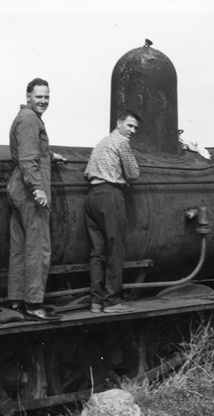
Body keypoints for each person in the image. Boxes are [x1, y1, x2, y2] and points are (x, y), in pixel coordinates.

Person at [6, 78, 66, 321]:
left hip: (17, 187)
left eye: (47, 97)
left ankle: (17, 299)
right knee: (38, 246)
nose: (43, 101)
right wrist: (38, 188)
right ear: (28, 96)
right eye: (39, 96)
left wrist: (51, 155)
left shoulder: (25, 117)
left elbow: (30, 150)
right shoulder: (31, 119)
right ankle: (33, 303)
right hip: (30, 189)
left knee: (19, 247)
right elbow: (28, 158)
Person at [84, 110, 142, 314]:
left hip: (92, 196)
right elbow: (133, 174)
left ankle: (96, 302)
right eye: (130, 125)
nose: (132, 131)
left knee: (97, 252)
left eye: (135, 127)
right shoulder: (121, 143)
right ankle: (112, 301)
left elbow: (87, 171)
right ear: (119, 124)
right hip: (110, 195)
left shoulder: (102, 142)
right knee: (115, 249)